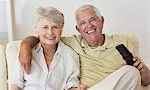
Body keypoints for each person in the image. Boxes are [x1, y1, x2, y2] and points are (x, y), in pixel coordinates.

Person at [19, 5, 150, 89]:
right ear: (78, 29)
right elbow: (46, 37)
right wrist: (25, 46)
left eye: (92, 19)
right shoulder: (71, 43)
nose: (89, 26)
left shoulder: (123, 42)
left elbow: (145, 81)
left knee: (131, 72)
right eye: (82, 23)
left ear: (102, 21)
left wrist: (143, 71)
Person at [9, 6, 87, 90]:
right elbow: (16, 84)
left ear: (61, 31)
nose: (50, 32)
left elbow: (71, 84)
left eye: (55, 27)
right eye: (45, 27)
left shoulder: (70, 56)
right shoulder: (26, 52)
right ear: (37, 31)